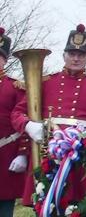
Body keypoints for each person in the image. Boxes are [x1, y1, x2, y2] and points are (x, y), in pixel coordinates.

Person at [12, 24, 86, 205]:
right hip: (49, 152)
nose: (76, 59)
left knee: (78, 206)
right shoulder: (46, 82)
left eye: (81, 55)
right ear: (64, 55)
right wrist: (28, 125)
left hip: (81, 155)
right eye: (72, 54)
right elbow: (18, 113)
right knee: (46, 204)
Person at [0, 27, 29, 216]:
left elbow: (25, 121)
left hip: (4, 155)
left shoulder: (16, 87)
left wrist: (23, 154)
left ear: (5, 60)